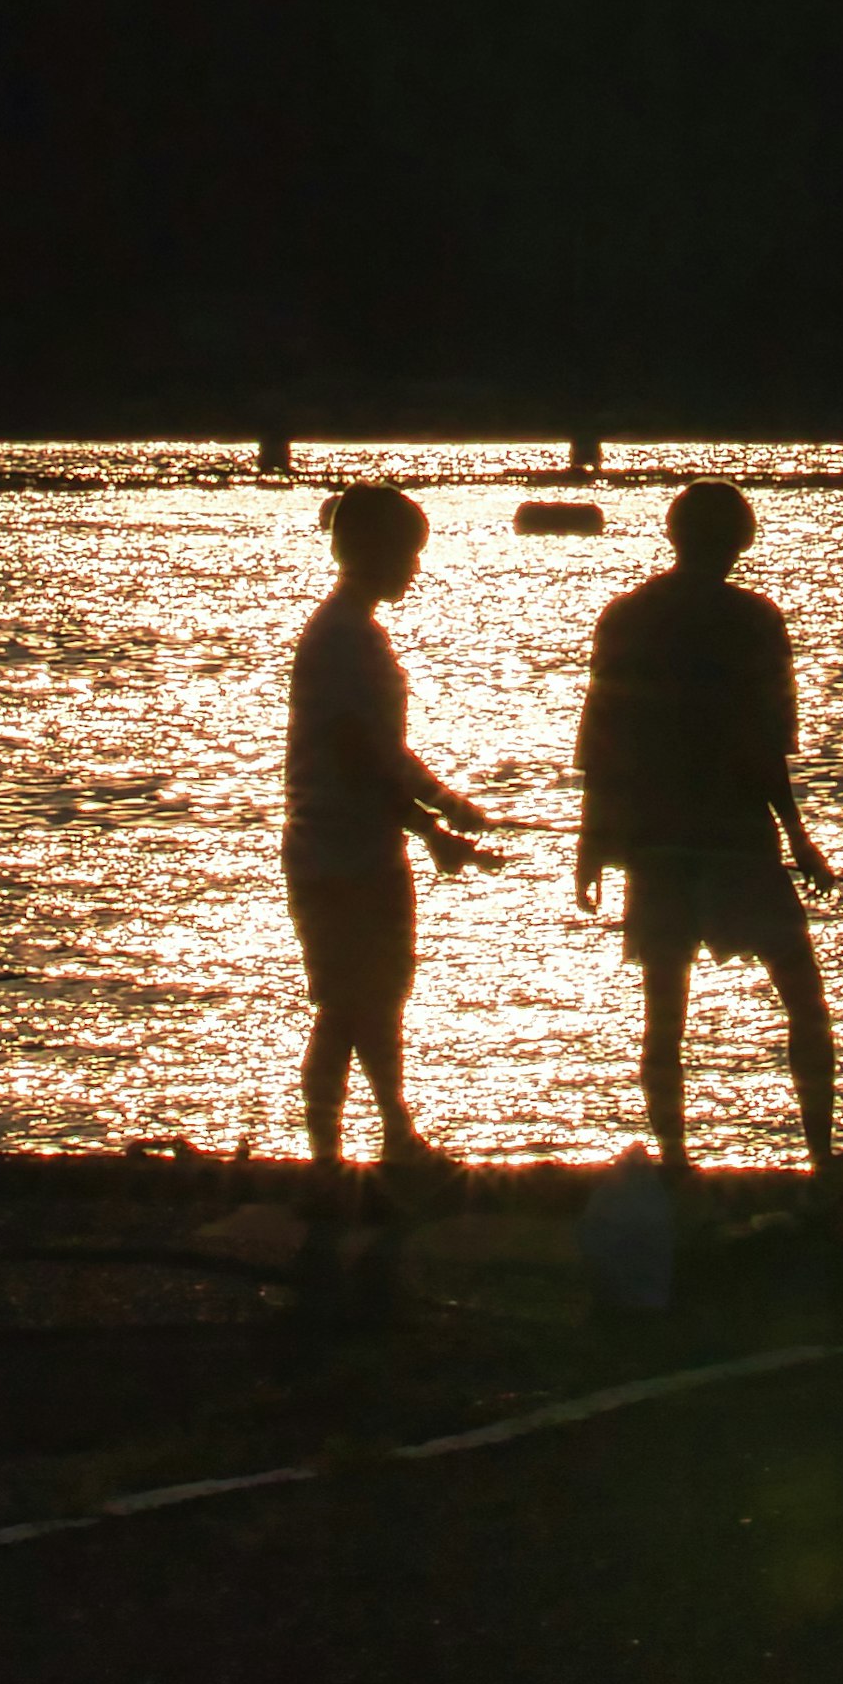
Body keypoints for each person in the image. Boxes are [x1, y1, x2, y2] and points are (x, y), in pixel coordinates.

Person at [573, 480, 840, 1177]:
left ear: (674, 535)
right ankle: (821, 1158)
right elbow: (767, 748)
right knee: (802, 996)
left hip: (655, 841)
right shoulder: (756, 622)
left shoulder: (626, 617)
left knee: (665, 1010)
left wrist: (591, 842)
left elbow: (601, 739)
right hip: (736, 841)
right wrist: (798, 838)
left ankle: (675, 1161)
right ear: (740, 541)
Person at [285, 482, 491, 1178]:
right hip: (341, 854)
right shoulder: (344, 638)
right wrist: (429, 829)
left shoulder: (354, 633)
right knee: (348, 1005)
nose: (415, 568)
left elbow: (385, 751)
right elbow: (354, 756)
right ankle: (330, 1162)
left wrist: (446, 804)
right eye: (408, 554)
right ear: (372, 550)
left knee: (375, 1000)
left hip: (358, 847)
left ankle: (390, 1139)